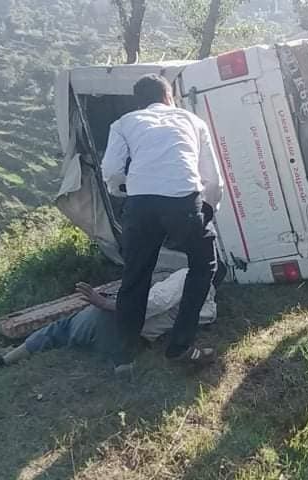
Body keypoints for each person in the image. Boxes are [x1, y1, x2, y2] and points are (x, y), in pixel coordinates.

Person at [101, 74, 224, 375]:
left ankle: (123, 358)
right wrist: (208, 210)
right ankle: (180, 346)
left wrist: (126, 191)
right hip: (183, 202)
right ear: (169, 97)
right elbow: (212, 179)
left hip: (140, 206)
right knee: (203, 266)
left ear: (139, 103)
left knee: (135, 276)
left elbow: (111, 171)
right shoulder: (193, 121)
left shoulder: (124, 123)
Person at [0, 270, 218, 382]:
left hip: (112, 321)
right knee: (84, 334)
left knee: (60, 329)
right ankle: (121, 362)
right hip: (137, 341)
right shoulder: (210, 311)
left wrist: (104, 303)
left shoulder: (188, 274)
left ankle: (0, 362)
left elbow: (155, 301)